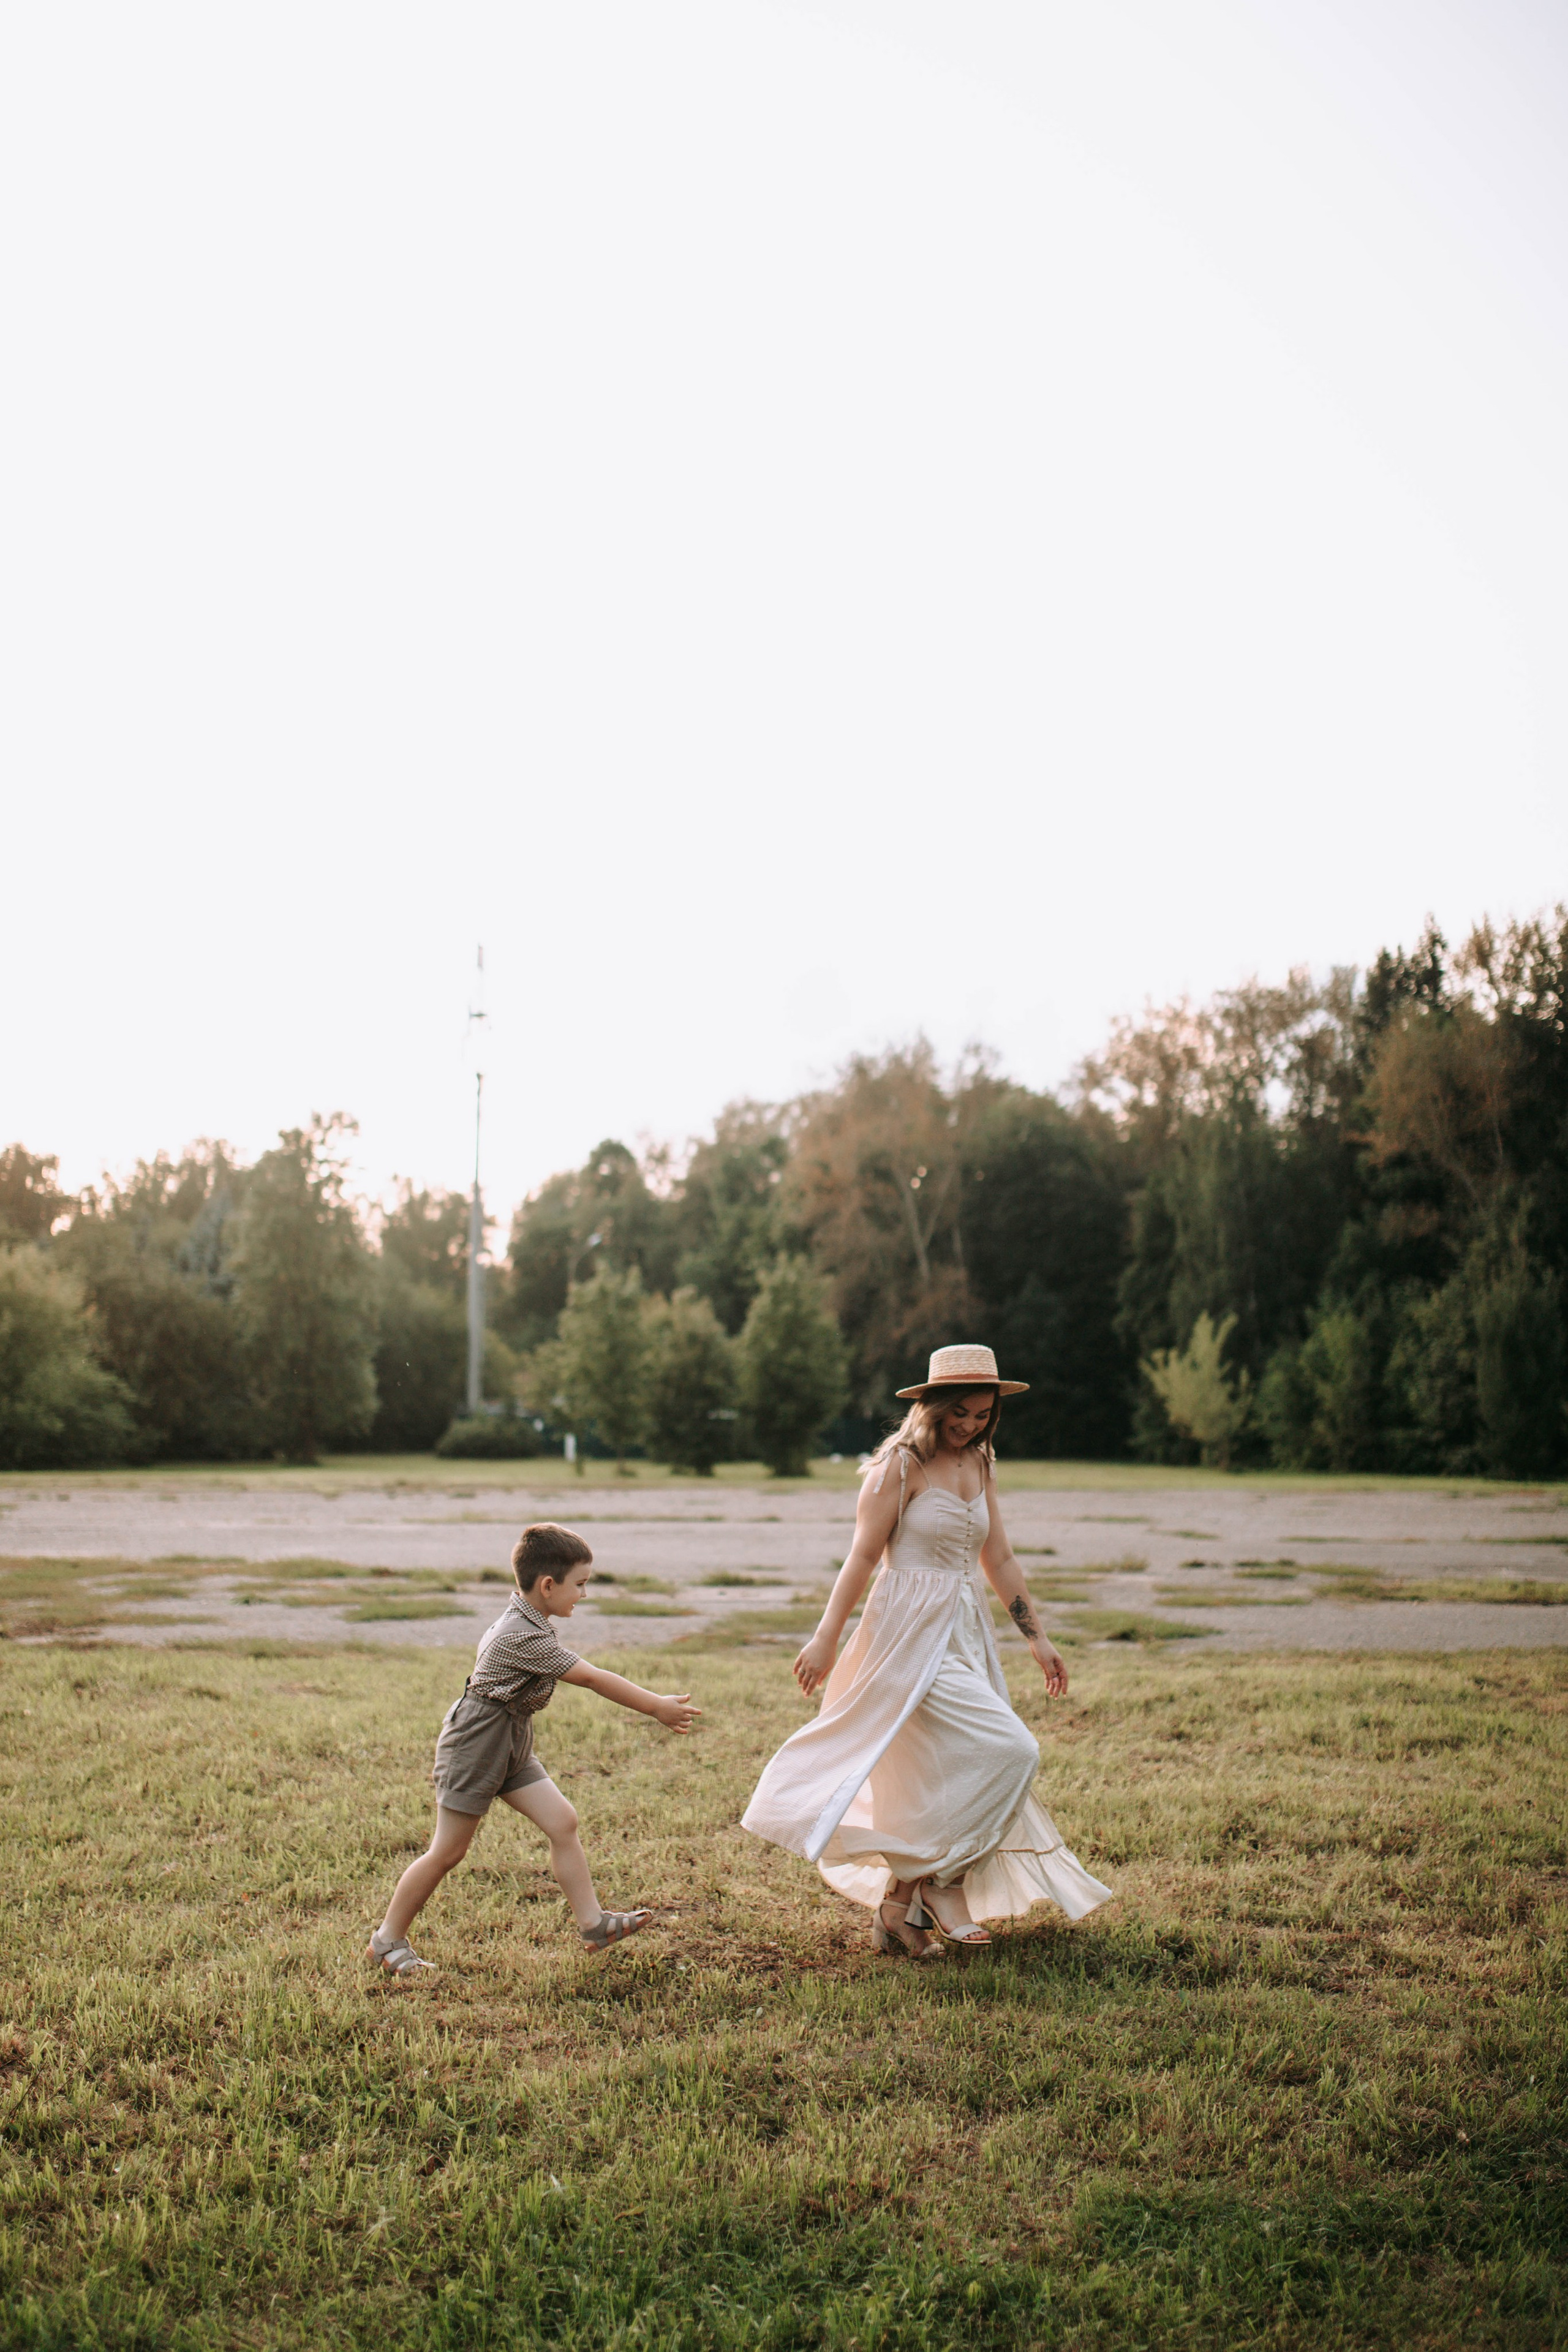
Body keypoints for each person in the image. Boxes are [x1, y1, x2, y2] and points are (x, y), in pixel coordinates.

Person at [742, 1344, 1113, 1958]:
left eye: (983, 1414)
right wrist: (826, 1636)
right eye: (960, 1412)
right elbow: (862, 1557)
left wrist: (1037, 1637)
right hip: (907, 1635)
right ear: (933, 1405)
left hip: (964, 1631)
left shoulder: (980, 1464)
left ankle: (898, 1908)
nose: (970, 1424)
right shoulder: (900, 1466)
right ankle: (943, 1884)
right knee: (1011, 1750)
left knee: (945, 1772)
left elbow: (998, 1558)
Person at [367, 1521, 700, 1975]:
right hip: (478, 1742)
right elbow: (592, 1677)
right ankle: (387, 1942)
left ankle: (593, 1924)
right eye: (579, 1585)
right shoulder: (521, 1635)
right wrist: (655, 1706)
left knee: (563, 1821)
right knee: (448, 1851)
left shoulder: (529, 1617)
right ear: (548, 1585)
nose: (583, 1595)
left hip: (510, 1735)